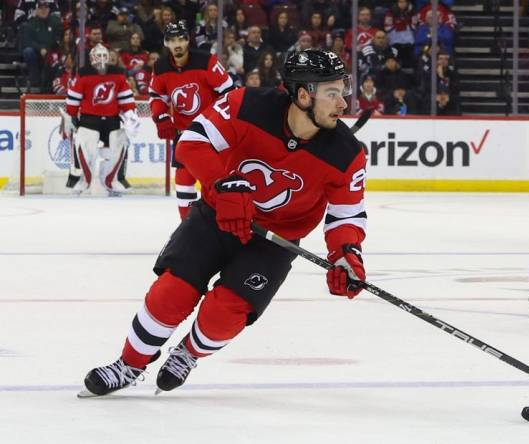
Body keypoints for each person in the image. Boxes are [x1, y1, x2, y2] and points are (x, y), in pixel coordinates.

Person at [79, 49, 368, 397]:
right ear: (304, 95)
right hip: (219, 216)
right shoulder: (248, 103)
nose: (343, 104)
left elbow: (346, 215)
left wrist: (346, 256)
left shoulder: (347, 153)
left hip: (276, 240)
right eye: (333, 93)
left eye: (343, 91)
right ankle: (129, 364)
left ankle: (188, 353)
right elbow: (193, 143)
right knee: (172, 292)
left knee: (227, 312)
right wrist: (221, 185)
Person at [148, 21, 235, 219]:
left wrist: (223, 123)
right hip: (184, 133)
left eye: (180, 39)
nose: (177, 44)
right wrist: (160, 116)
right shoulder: (160, 67)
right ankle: (187, 226)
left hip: (211, 131)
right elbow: (156, 96)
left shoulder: (206, 61)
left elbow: (230, 92)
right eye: (172, 40)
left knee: (213, 179)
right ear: (166, 43)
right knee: (183, 179)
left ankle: (221, 221)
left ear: (188, 40)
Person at [64, 44, 140, 196]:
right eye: (98, 56)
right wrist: (71, 116)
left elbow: (125, 97)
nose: (102, 60)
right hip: (89, 119)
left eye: (104, 56)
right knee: (84, 146)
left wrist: (130, 115)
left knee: (119, 144)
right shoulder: (84, 74)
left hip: (112, 119)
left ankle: (112, 180)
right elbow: (74, 98)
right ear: (92, 58)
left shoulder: (118, 74)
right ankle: (83, 180)